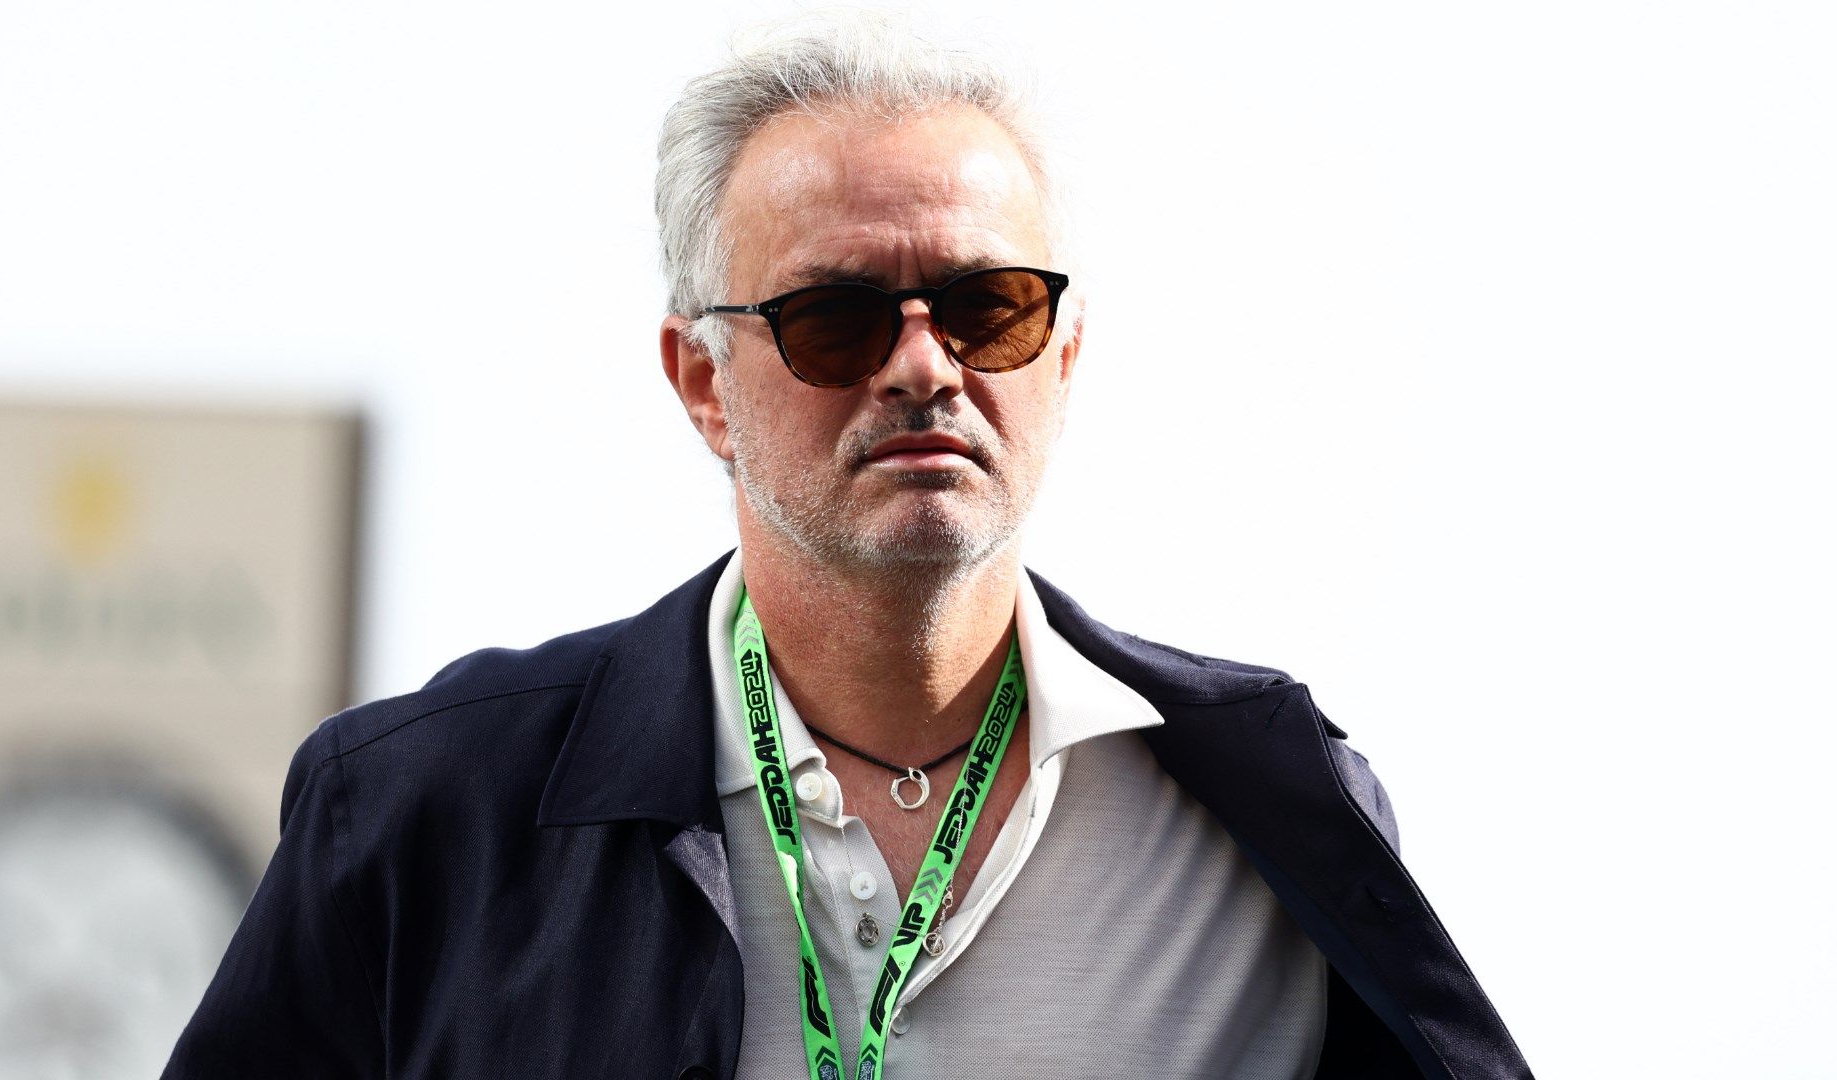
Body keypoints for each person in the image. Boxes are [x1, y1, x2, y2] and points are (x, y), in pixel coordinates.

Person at [165, 14, 1530, 1080]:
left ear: (1064, 356)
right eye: (835, 317)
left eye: (989, 307)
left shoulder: (1276, 806)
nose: (925, 367)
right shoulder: (425, 816)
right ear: (702, 382)